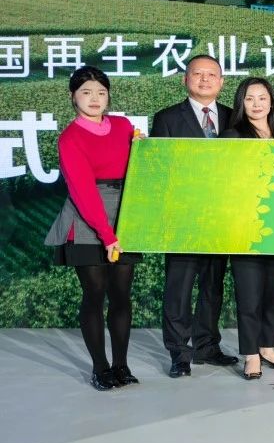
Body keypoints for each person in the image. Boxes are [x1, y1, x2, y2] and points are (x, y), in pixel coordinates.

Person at [44, 67, 141, 391]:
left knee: (121, 294)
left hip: (123, 213)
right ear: (73, 97)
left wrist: (142, 146)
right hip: (86, 218)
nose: (94, 98)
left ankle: (121, 365)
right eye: (86, 92)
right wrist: (108, 237)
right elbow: (83, 192)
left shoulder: (124, 126)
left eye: (101, 92)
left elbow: (141, 165)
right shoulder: (70, 138)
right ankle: (100, 368)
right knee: (95, 293)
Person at [151, 55, 238, 377]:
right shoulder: (167, 118)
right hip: (183, 217)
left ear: (221, 81)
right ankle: (179, 353)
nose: (204, 80)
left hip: (220, 216)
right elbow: (160, 169)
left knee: (212, 286)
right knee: (180, 287)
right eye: (197, 74)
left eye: (211, 74)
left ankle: (207, 346)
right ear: (185, 79)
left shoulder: (233, 117)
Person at [221, 78, 274, 380]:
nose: (257, 104)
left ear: (271, 102)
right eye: (250, 98)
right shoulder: (232, 136)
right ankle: (251, 354)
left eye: (262, 98)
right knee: (249, 294)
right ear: (241, 103)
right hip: (246, 226)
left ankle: (268, 346)